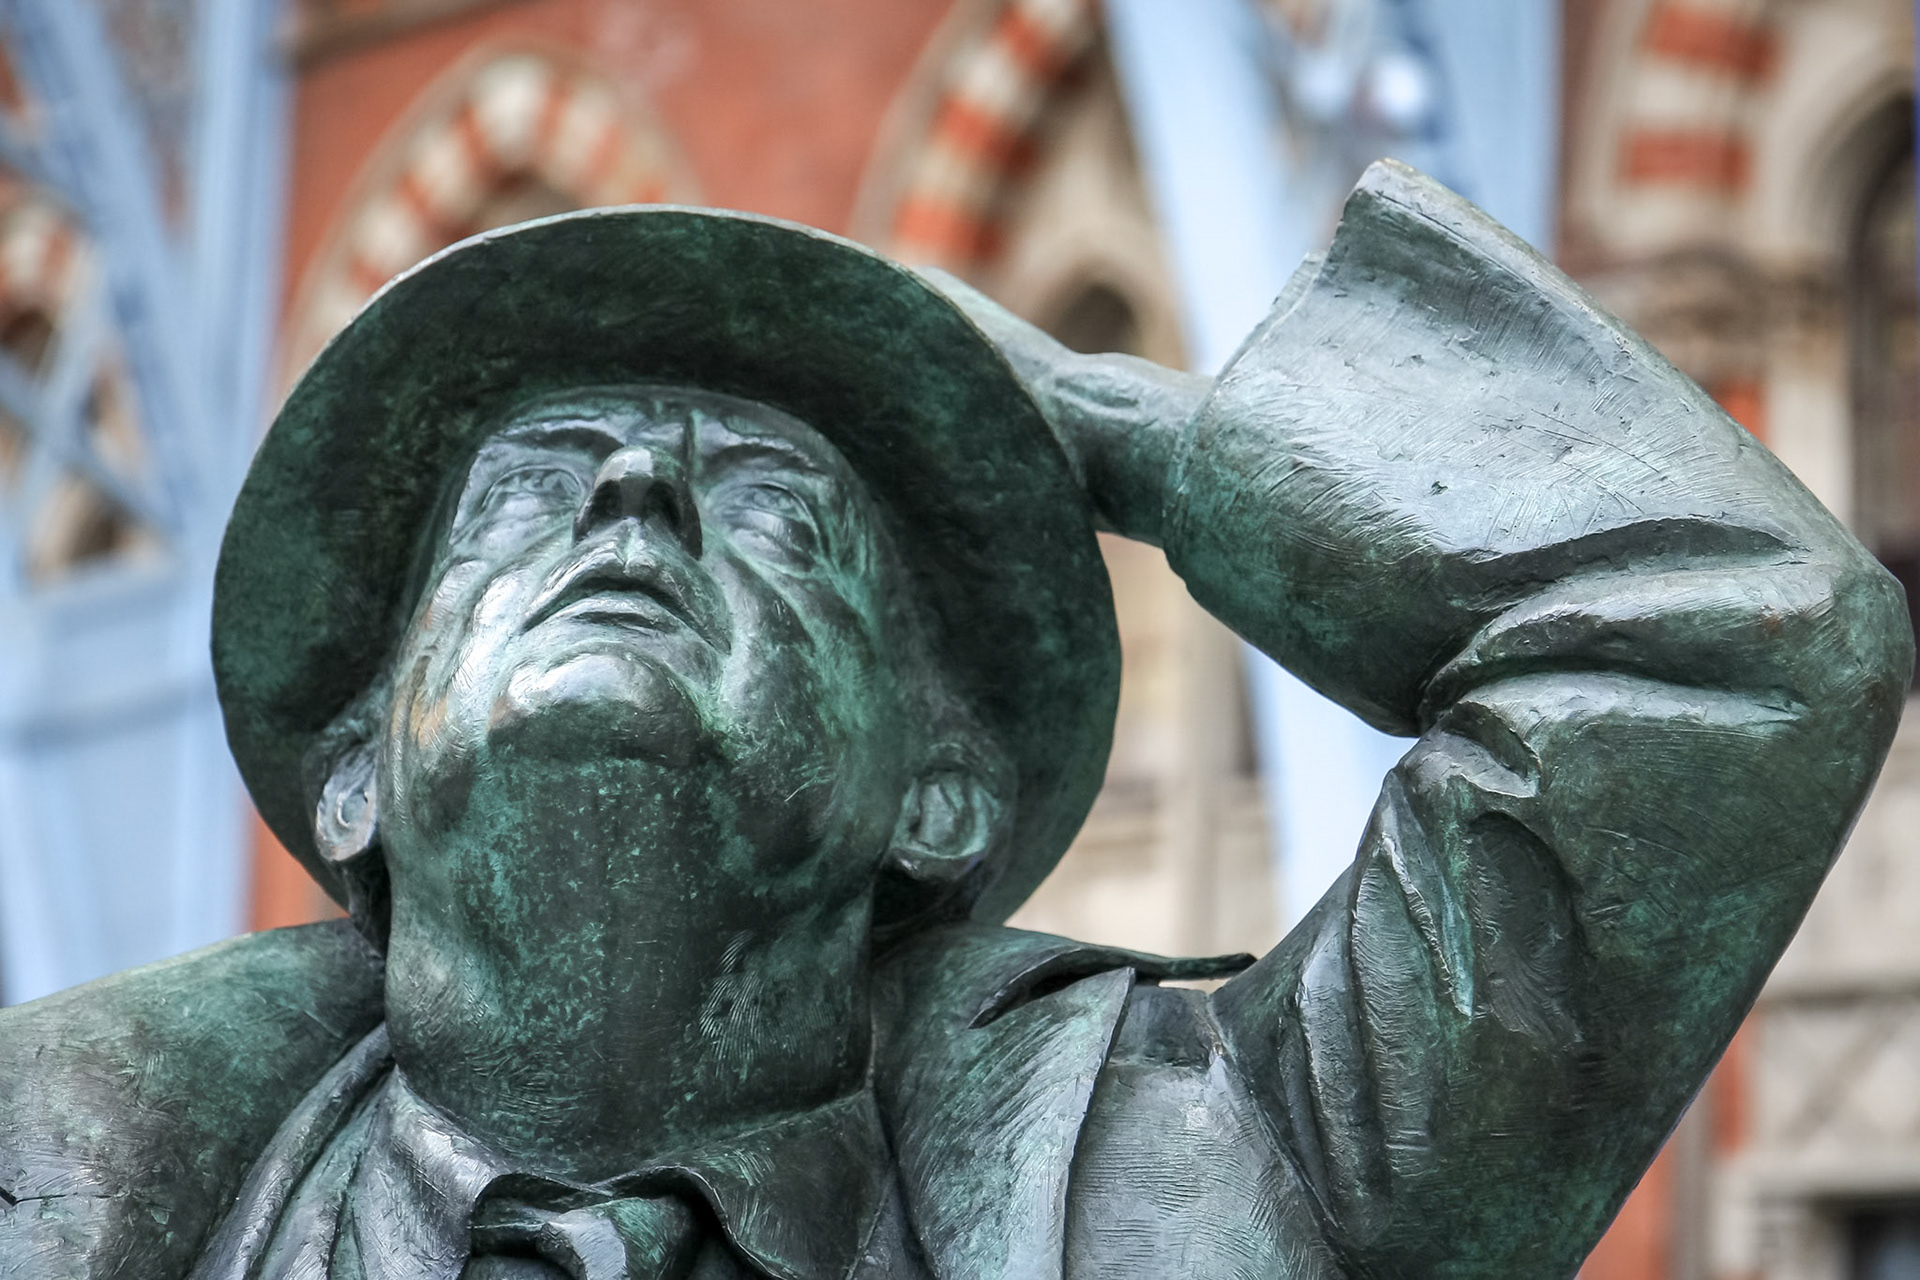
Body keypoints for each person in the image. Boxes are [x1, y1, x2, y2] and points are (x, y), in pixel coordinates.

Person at [0, 161, 1908, 1280]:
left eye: (770, 505)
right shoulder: (74, 1192)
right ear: (355, 778)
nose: (632, 505)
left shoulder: (1242, 1170)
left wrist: (1119, 433)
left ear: (937, 793)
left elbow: (1731, 643)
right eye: (526, 484)